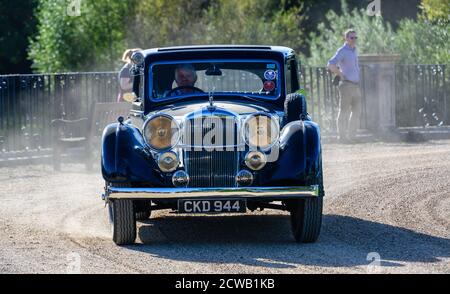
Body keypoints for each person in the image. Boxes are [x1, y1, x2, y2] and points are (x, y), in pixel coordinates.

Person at [327, 29, 362, 143]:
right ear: (346, 39)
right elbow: (331, 64)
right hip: (346, 85)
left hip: (355, 85)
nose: (354, 40)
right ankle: (342, 137)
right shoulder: (342, 51)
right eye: (351, 38)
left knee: (357, 111)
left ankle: (352, 136)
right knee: (344, 111)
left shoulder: (354, 50)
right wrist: (340, 74)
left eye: (355, 38)